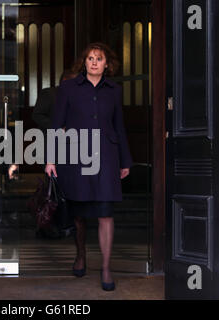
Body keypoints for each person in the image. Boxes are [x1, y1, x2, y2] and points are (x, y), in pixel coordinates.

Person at [45, 42, 133, 291]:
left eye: (99, 58)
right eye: (90, 58)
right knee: (79, 214)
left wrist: (125, 160)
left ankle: (106, 268)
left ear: (108, 64)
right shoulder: (68, 88)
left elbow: (120, 126)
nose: (94, 62)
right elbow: (56, 125)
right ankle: (81, 254)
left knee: (106, 214)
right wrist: (51, 159)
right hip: (77, 156)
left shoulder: (114, 90)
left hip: (107, 156)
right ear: (84, 62)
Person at [32, 69, 78, 239]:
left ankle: (67, 223)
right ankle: (52, 224)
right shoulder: (49, 94)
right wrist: (57, 127)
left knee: (68, 188)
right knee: (53, 189)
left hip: (73, 148)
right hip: (52, 146)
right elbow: (37, 115)